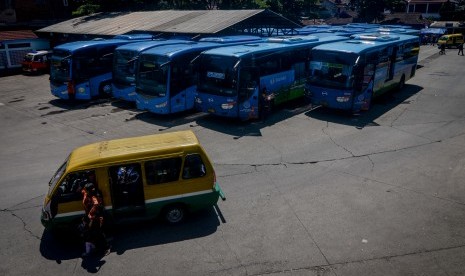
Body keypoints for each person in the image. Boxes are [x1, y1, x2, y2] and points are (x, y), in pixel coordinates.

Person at [80, 182, 108, 258]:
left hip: (96, 219)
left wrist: (90, 217)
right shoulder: (88, 194)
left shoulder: (94, 198)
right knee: (94, 234)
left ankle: (105, 248)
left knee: (98, 233)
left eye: (87, 190)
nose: (85, 191)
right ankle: (95, 247)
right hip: (91, 218)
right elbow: (83, 191)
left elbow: (95, 206)